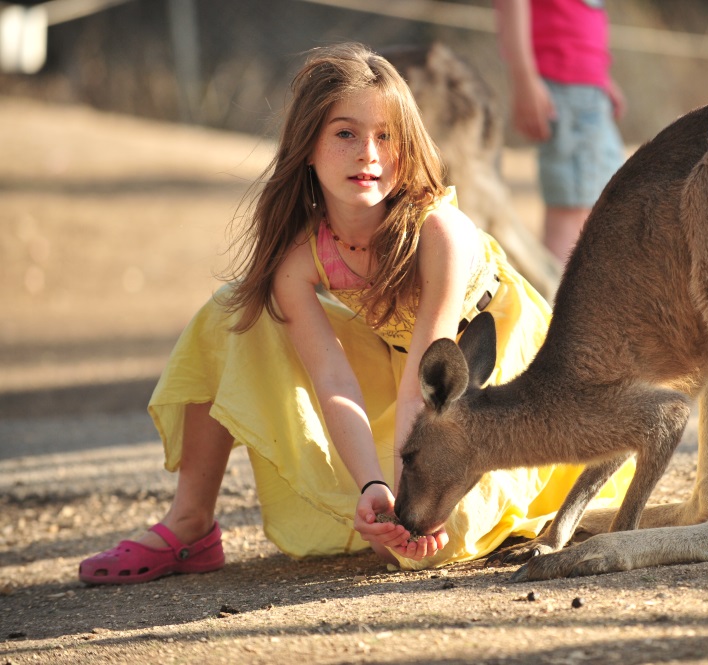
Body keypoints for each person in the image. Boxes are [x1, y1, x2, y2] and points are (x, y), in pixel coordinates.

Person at [78, 42, 634, 585]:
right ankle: (191, 524)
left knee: (433, 542)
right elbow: (332, 378)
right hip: (397, 363)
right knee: (229, 310)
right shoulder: (299, 256)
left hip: (484, 372)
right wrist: (374, 486)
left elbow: (430, 379)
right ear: (308, 146)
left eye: (386, 136)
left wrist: (402, 505)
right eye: (346, 133)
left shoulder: (437, 231)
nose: (368, 153)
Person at [494, 0, 626, 265]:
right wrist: (524, 78)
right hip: (566, 87)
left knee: (601, 207)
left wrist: (602, 78)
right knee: (570, 215)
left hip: (588, 87)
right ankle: (557, 302)